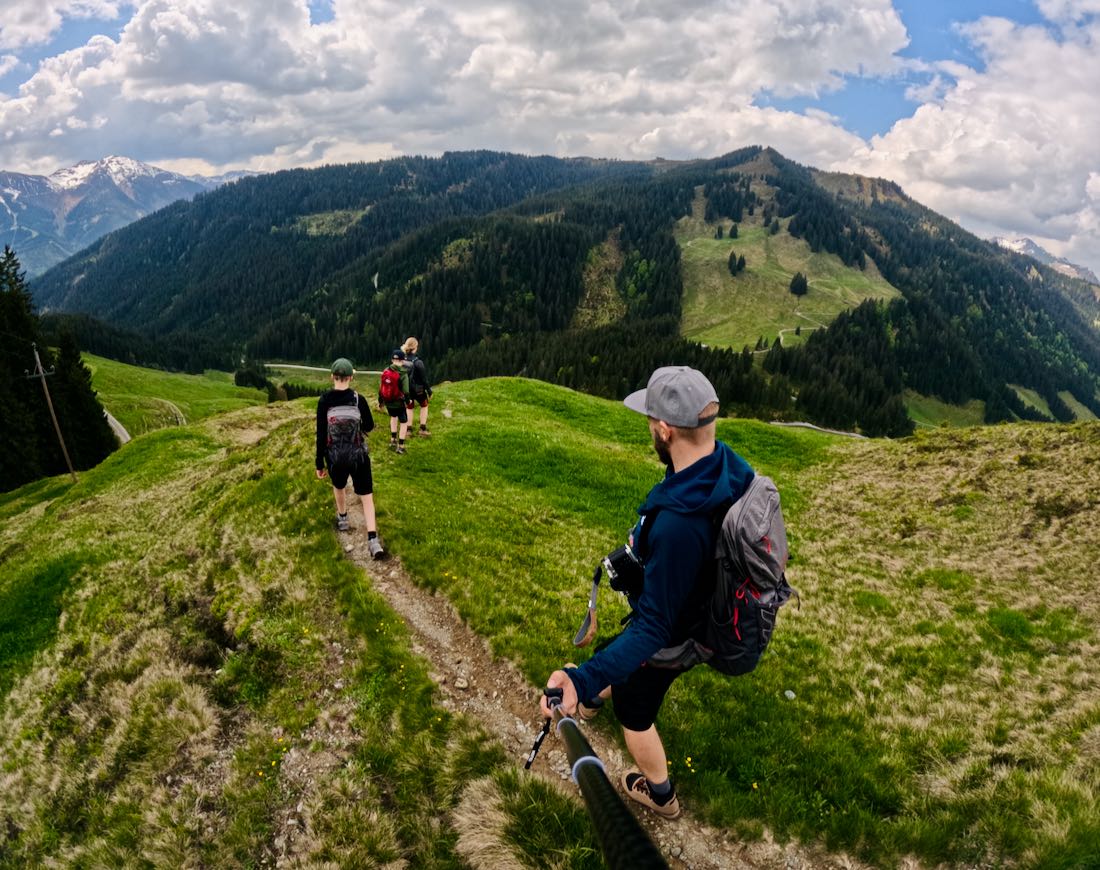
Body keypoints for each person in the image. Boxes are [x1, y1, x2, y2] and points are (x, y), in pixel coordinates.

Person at [540, 366, 754, 819]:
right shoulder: (723, 467)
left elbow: (655, 626)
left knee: (636, 707)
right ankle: (598, 691)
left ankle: (660, 793)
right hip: (692, 608)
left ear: (664, 428)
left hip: (679, 631)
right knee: (616, 652)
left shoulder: (682, 524)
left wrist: (578, 679)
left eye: (650, 421)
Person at [316, 358, 385, 560]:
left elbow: (321, 434)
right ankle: (373, 540)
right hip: (358, 455)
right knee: (367, 496)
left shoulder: (325, 400)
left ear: (332, 377)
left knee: (339, 486)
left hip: (335, 456)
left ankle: (343, 518)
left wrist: (319, 463)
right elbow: (370, 425)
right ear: (351, 377)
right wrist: (358, 431)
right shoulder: (358, 399)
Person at [379, 349, 411, 454]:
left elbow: (381, 388)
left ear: (392, 359)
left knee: (393, 417)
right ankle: (401, 446)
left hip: (388, 402)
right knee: (404, 422)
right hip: (399, 402)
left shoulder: (385, 371)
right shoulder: (403, 373)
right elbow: (406, 391)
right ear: (402, 360)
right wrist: (407, 401)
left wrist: (381, 401)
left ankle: (393, 440)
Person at [401, 336, 433, 437]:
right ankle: (422, 429)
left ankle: (408, 430)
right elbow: (424, 379)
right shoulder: (418, 362)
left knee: (409, 407)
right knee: (424, 405)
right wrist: (429, 391)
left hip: (407, 390)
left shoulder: (402, 360)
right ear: (415, 348)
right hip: (418, 390)